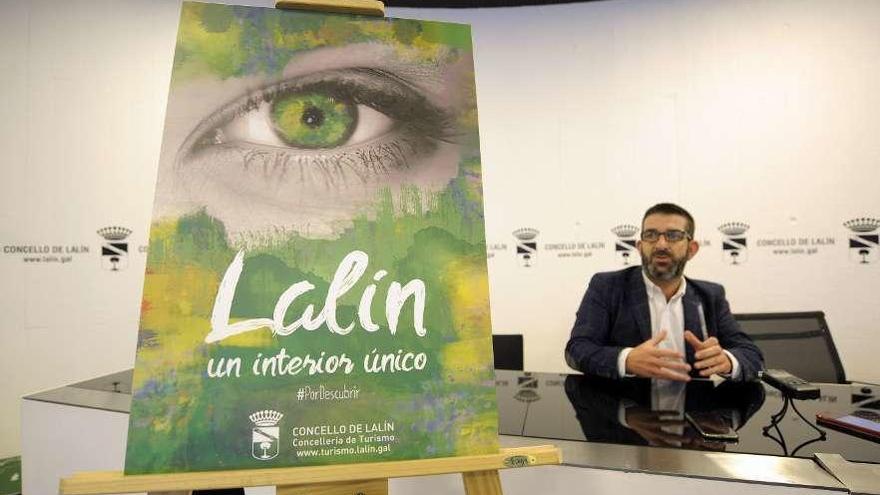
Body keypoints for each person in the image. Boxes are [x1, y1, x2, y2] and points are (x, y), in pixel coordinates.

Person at [565, 203, 763, 382]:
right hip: (624, 412)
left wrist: (727, 361)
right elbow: (577, 350)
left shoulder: (710, 296)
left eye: (673, 235)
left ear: (691, 249)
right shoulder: (607, 286)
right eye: (650, 235)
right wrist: (626, 360)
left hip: (693, 412)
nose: (660, 244)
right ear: (640, 247)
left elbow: (752, 356)